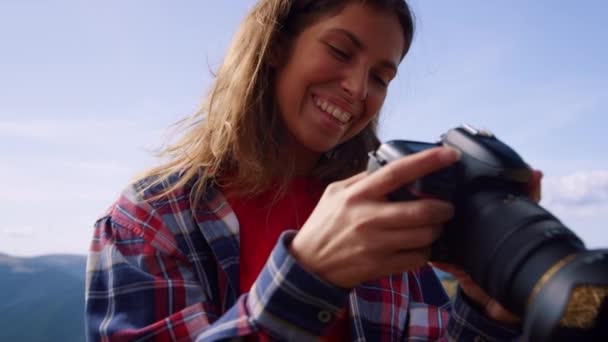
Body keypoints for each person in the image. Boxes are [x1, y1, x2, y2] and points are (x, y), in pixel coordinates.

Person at [85, 0, 542, 340]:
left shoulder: (388, 211)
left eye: (381, 77)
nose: (358, 88)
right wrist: (307, 278)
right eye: (341, 51)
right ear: (277, 45)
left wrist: (487, 314)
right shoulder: (151, 221)